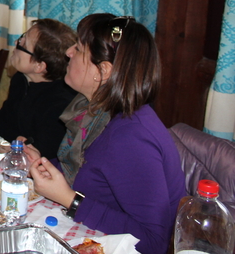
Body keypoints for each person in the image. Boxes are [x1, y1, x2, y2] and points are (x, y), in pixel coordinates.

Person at [24, 14, 185, 254]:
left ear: (103, 71)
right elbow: (88, 171)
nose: (68, 52)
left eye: (78, 48)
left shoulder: (131, 137)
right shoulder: (95, 113)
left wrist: (70, 200)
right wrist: (41, 165)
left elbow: (154, 241)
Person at [0, 19, 78, 159]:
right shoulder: (21, 80)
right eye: (22, 36)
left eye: (24, 44)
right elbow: (5, 124)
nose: (17, 43)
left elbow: (44, 155)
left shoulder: (59, 104)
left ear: (39, 66)